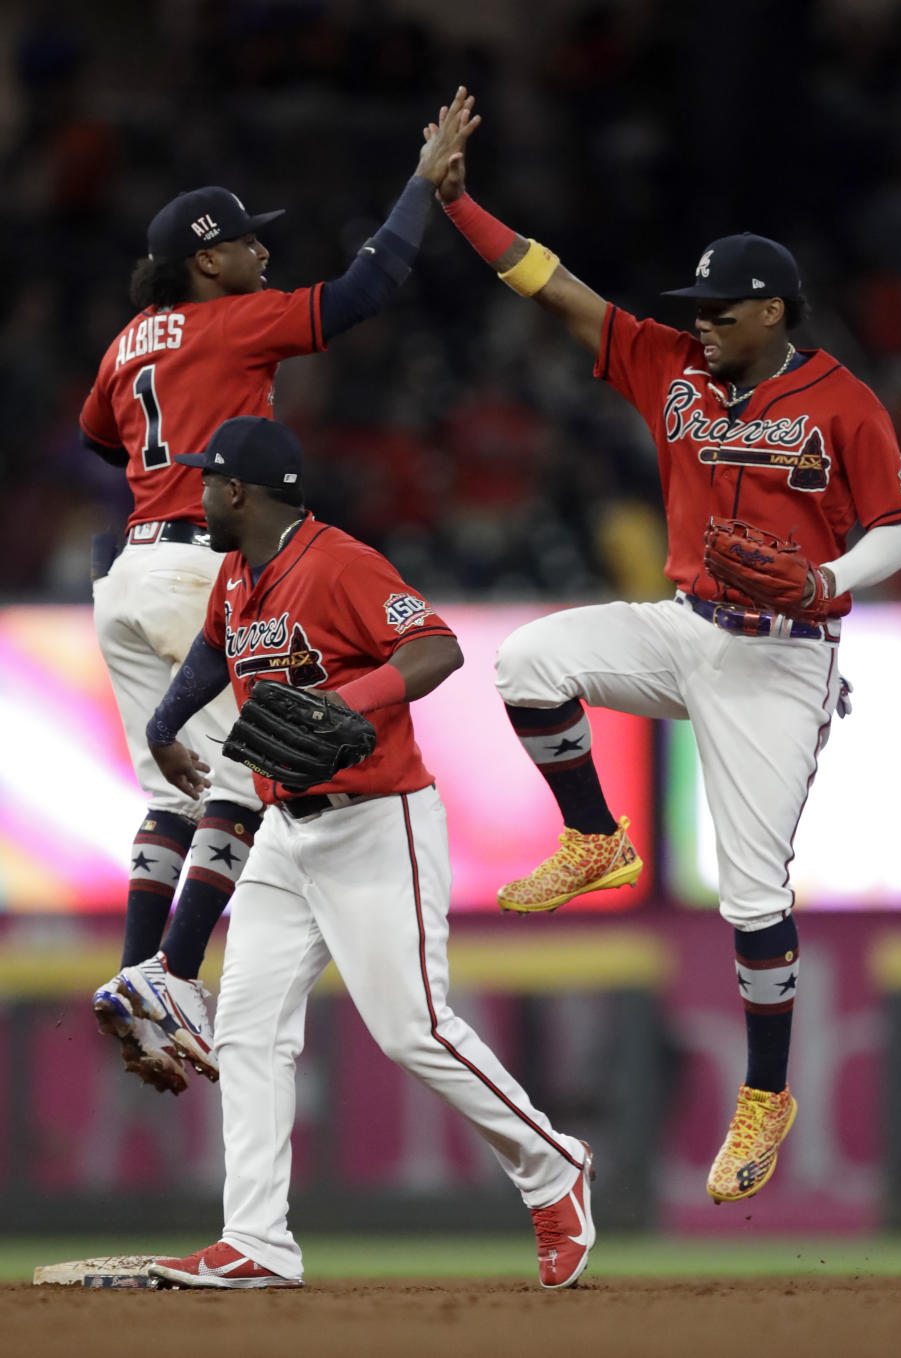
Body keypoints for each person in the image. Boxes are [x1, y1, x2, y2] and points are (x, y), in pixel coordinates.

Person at [432, 131, 901, 1204]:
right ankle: (595, 833)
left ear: (773, 312)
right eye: (693, 306)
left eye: (719, 309)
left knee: (750, 895)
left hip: (781, 660)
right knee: (525, 658)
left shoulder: (844, 401)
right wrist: (460, 204)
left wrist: (828, 577)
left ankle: (766, 1096)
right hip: (686, 624)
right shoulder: (671, 367)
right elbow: (556, 290)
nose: (699, 321)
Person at [132, 416, 595, 1291]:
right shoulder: (237, 576)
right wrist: (163, 725)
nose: (197, 496)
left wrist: (359, 699)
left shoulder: (338, 562)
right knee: (248, 1028)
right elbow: (212, 649)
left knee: (412, 1030)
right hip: (286, 834)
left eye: (206, 484)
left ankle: (553, 1167)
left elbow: (437, 647)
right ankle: (256, 1239)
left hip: (379, 820)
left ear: (238, 491)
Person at [78, 87, 479, 1095]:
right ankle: (170, 976)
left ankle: (138, 966)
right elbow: (366, 288)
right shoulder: (233, 319)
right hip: (196, 568)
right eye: (247, 242)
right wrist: (418, 186)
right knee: (241, 779)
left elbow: (100, 434)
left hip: (127, 570)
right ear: (207, 260)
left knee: (164, 789)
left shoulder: (127, 339)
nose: (263, 250)